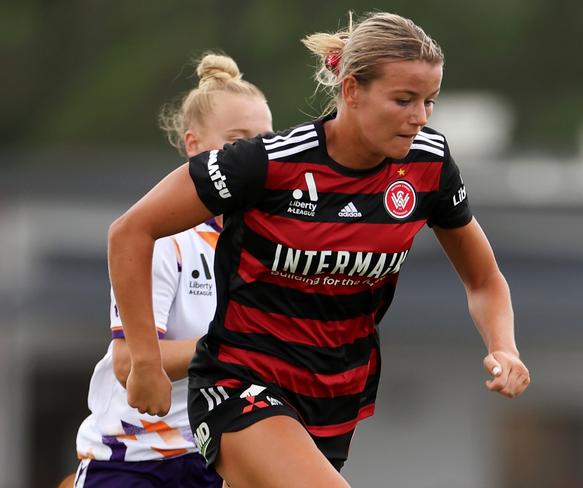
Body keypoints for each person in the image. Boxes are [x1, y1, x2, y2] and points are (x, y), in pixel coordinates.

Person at [107, 12, 531, 488]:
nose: (420, 117)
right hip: (239, 383)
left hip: (335, 400)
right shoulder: (267, 164)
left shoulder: (428, 166)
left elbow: (484, 279)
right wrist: (144, 360)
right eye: (403, 100)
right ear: (351, 91)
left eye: (429, 102)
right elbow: (130, 231)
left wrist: (504, 348)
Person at [69, 52, 273, 487]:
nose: (255, 156)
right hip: (132, 463)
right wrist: (237, 346)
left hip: (214, 458)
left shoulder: (269, 245)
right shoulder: (161, 237)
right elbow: (130, 364)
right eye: (238, 140)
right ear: (194, 145)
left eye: (265, 141)